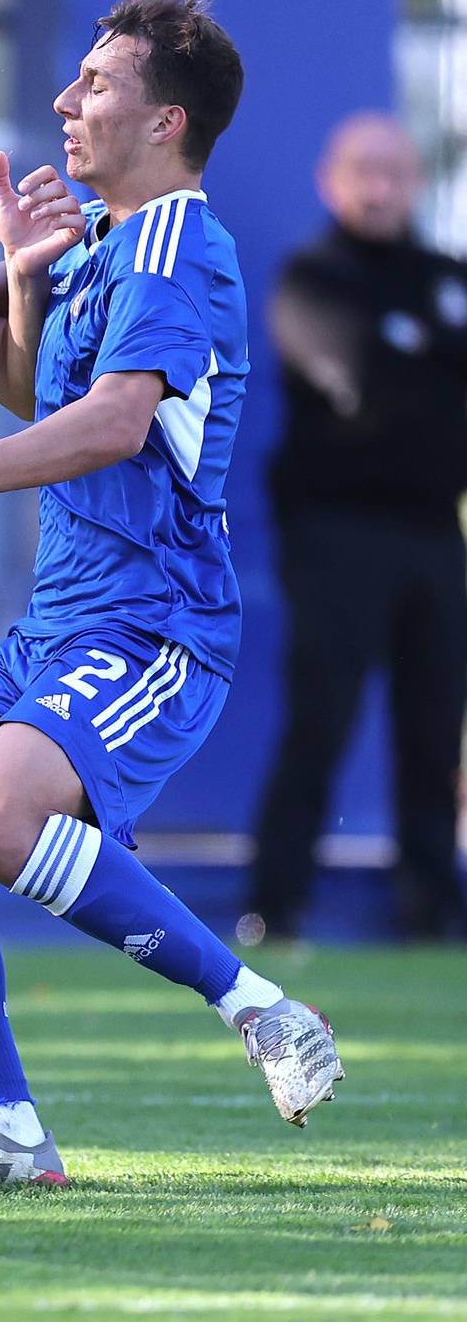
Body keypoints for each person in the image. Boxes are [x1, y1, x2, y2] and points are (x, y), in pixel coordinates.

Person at [0, 0, 343, 1193]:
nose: (68, 103)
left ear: (167, 122)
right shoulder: (115, 248)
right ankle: (7, 1128)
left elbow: (115, 427)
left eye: (99, 85)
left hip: (156, 619)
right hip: (64, 613)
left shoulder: (181, 243)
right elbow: (45, 401)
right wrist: (6, 278)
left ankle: (260, 1004)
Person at [247, 112, 467, 942]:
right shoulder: (314, 278)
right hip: (337, 533)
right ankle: (277, 901)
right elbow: (359, 382)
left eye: (395, 171)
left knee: (434, 726)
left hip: (437, 536)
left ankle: (431, 906)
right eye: (363, 171)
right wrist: (437, 358)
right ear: (331, 181)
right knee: (322, 718)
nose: (380, 188)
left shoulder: (446, 274)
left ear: (416, 181)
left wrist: (420, 347)